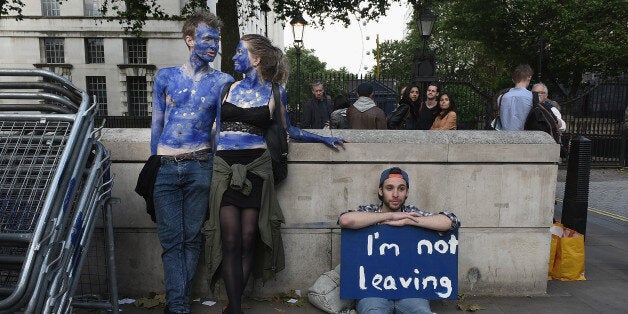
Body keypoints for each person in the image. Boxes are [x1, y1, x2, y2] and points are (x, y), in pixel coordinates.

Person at [205, 34, 345, 314]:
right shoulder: (226, 89)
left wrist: (322, 138)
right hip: (225, 166)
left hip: (257, 167)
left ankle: (234, 306)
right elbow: (216, 132)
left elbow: (289, 130)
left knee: (247, 238)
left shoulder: (275, 92)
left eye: (238, 52)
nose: (233, 57)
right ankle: (235, 307)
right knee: (229, 238)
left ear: (255, 59)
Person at [150, 10, 234, 314]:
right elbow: (156, 126)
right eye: (207, 38)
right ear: (190, 39)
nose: (213, 45)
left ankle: (177, 306)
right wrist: (153, 164)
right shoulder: (166, 76)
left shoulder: (223, 81)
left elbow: (221, 131)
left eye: (217, 39)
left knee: (192, 238)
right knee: (172, 240)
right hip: (166, 166)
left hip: (200, 165)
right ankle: (179, 305)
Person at [338, 167, 460, 314]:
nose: (395, 194)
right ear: (380, 191)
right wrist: (389, 216)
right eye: (389, 188)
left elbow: (450, 221)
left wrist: (409, 221)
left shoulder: (413, 213)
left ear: (407, 192)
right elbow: (345, 220)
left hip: (411, 292)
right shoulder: (368, 211)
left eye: (401, 189)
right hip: (373, 292)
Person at [498, 64, 534, 131]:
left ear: (513, 80)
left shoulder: (501, 98)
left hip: (503, 138)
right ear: (529, 77)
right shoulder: (533, 97)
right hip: (527, 138)